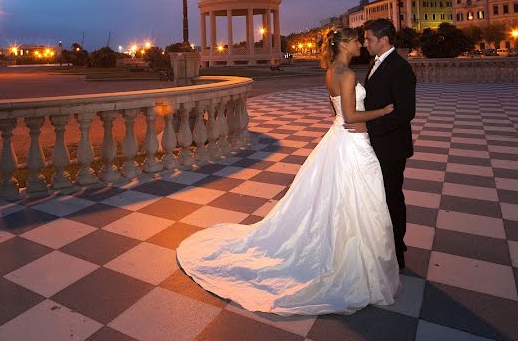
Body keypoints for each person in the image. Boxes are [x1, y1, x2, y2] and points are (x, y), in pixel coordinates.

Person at [176, 28, 401, 315]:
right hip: (351, 142)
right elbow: (351, 115)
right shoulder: (346, 74)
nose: (361, 44)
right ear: (344, 44)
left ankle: (345, 251)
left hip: (339, 139)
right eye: (356, 40)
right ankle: (350, 260)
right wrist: (383, 112)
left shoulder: (332, 71)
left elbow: (337, 114)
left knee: (339, 201)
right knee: (354, 200)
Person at [358, 18, 416, 269]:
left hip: (391, 145)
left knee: (392, 196)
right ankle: (383, 244)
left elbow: (405, 112)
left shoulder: (400, 68)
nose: (364, 43)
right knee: (379, 196)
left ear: (384, 40)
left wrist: (370, 125)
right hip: (378, 142)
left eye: (368, 38)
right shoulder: (377, 63)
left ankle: (397, 249)